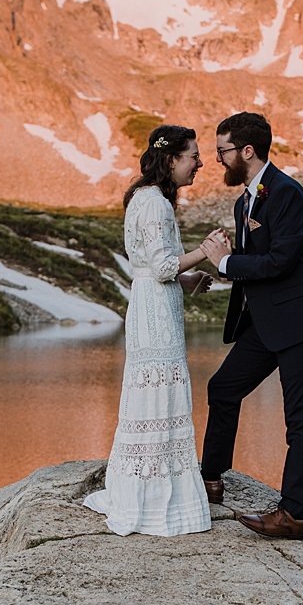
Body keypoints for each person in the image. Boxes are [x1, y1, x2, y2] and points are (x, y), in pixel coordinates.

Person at [199, 111, 303, 541]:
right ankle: (210, 479)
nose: (218, 159)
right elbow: (256, 265)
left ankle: (294, 515)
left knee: (300, 420)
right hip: (265, 323)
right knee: (222, 388)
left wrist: (225, 261)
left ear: (247, 150)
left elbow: (281, 261)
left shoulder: (287, 194)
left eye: (223, 150)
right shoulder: (246, 200)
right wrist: (226, 264)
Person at [84, 125, 227, 537]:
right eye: (193, 156)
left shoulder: (145, 199)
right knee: (160, 390)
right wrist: (207, 250)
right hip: (155, 313)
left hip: (151, 302)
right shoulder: (156, 204)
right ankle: (156, 497)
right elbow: (163, 265)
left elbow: (150, 267)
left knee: (152, 392)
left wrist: (186, 279)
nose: (200, 164)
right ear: (170, 160)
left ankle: (148, 486)